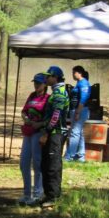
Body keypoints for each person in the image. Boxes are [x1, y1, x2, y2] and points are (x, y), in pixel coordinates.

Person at [39, 65, 69, 208]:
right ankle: (48, 194)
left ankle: (53, 197)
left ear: (55, 77)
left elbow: (56, 116)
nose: (45, 78)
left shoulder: (59, 93)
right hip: (53, 133)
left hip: (55, 134)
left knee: (53, 165)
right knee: (46, 164)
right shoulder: (56, 91)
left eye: (48, 76)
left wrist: (46, 132)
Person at [18, 72, 49, 205]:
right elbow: (24, 111)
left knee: (37, 164)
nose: (36, 85)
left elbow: (50, 119)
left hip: (38, 133)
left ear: (45, 84)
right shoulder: (31, 95)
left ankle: (37, 194)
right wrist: (25, 118)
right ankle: (26, 194)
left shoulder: (48, 99)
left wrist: (40, 124)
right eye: (35, 83)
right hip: (28, 133)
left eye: (39, 83)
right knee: (24, 163)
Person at [64, 65, 91, 162]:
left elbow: (83, 98)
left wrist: (78, 112)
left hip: (79, 110)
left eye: (73, 72)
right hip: (77, 110)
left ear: (79, 73)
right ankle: (80, 156)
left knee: (75, 133)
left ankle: (69, 156)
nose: (72, 74)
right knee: (79, 133)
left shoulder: (83, 83)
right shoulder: (79, 83)